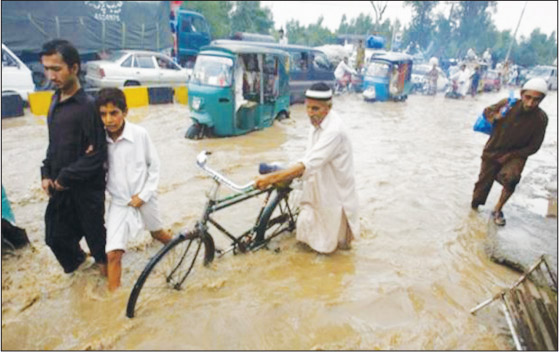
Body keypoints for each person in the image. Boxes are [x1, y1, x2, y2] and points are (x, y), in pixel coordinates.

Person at [254, 82, 359, 253]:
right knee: (308, 235)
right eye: (308, 107)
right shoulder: (316, 125)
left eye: (315, 109)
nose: (310, 113)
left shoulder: (334, 131)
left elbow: (308, 164)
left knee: (331, 246)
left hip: (334, 192)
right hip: (316, 184)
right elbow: (309, 157)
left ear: (328, 108)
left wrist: (270, 179)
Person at [40, 40, 108, 274]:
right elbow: (53, 145)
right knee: (54, 237)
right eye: (47, 69)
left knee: (98, 244)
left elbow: (98, 154)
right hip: (60, 187)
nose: (51, 75)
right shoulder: (53, 101)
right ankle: (81, 272)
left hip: (87, 190)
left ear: (74, 68)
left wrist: (66, 176)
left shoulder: (89, 107)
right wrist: (46, 173)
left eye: (56, 69)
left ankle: (107, 293)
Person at [95, 88, 173, 291]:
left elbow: (154, 166)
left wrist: (144, 195)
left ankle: (180, 251)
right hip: (119, 204)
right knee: (113, 254)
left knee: (158, 234)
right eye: (103, 114)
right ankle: (114, 303)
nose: (108, 119)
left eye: (114, 113)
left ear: (125, 112)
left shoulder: (140, 135)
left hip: (144, 198)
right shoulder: (98, 140)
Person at [471, 78, 549, 226]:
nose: (530, 103)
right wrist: (496, 117)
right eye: (528, 97)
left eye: (536, 100)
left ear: (542, 100)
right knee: (481, 188)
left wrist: (511, 156)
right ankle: (474, 210)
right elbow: (487, 111)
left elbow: (534, 147)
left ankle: (498, 209)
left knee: (512, 178)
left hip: (516, 155)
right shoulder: (508, 104)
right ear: (521, 94)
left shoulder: (541, 118)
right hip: (492, 151)